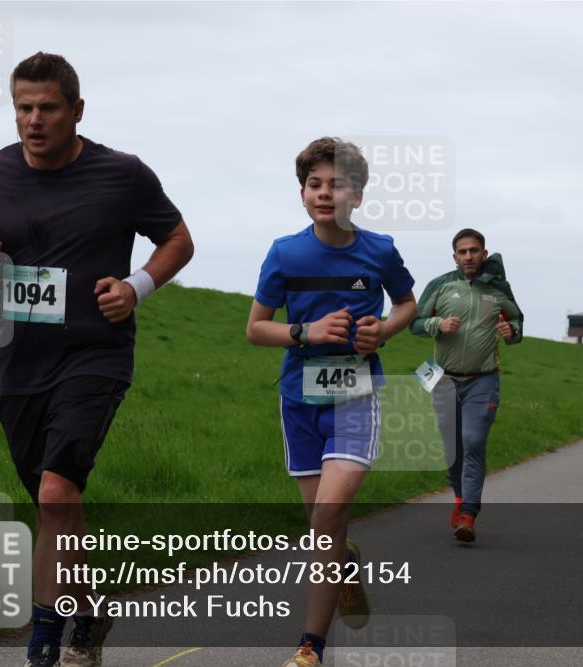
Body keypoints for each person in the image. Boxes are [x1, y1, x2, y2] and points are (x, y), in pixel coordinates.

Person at [0, 52, 194, 667]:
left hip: (94, 354)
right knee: (57, 508)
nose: (33, 119)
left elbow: (178, 239)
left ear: (76, 110)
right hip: (18, 364)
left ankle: (44, 642)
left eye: (47, 107)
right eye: (23, 107)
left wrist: (138, 287)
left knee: (57, 493)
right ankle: (90, 607)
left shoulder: (123, 174)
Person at [246, 137, 417, 667]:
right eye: (315, 184)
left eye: (337, 184)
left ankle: (309, 647)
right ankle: (343, 562)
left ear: (357, 196)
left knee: (328, 513)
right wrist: (306, 331)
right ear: (303, 195)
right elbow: (256, 329)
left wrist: (382, 332)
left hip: (355, 396)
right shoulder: (285, 252)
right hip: (299, 400)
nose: (326, 193)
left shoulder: (379, 250)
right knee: (324, 529)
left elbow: (407, 303)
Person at [410, 229, 524, 542]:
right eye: (462, 252)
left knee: (472, 441)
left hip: (482, 379)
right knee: (452, 449)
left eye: (474, 250)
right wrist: (438, 324)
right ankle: (460, 500)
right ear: (455, 257)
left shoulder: (498, 290)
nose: (469, 256)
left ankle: (469, 515)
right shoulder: (440, 285)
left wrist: (510, 330)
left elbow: (518, 324)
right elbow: (415, 325)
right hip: (443, 377)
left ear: (484, 254)